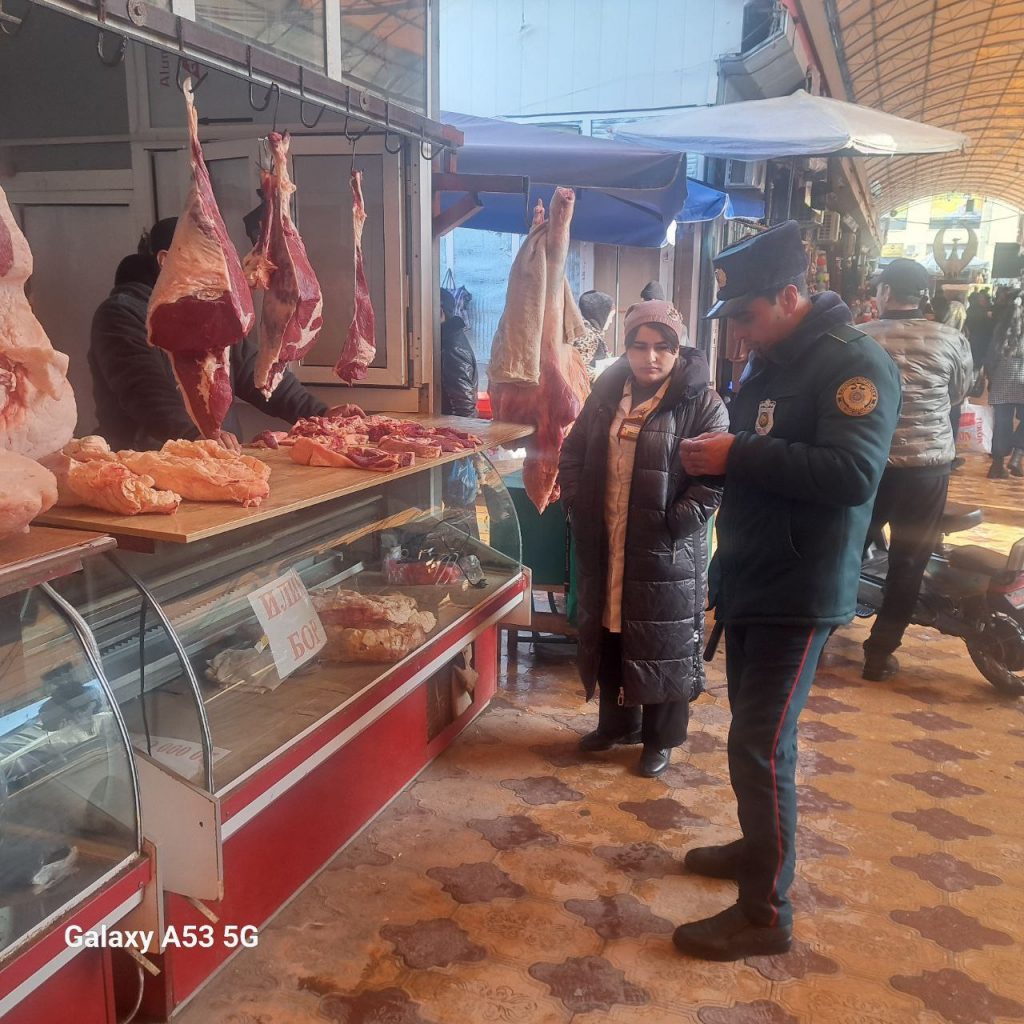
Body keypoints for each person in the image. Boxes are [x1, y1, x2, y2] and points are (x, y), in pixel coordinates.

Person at [674, 220, 900, 961]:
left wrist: (737, 452)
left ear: (791, 295)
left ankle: (765, 914)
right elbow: (760, 458)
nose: (738, 331)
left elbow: (853, 474)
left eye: (747, 315)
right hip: (755, 573)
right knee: (753, 735)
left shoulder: (852, 363)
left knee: (761, 745)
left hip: (800, 585)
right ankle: (756, 849)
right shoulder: (772, 360)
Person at [559, 300, 728, 779]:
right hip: (607, 536)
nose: (650, 357)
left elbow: (712, 481)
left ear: (677, 349)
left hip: (666, 548)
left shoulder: (703, 403)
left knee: (664, 638)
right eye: (639, 346)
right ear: (626, 347)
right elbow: (573, 452)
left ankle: (660, 738)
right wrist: (578, 503)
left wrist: (672, 523)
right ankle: (617, 724)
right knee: (612, 627)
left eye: (662, 347)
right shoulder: (606, 393)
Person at [89, 218, 355, 452]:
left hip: (214, 460)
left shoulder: (205, 311)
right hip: (145, 468)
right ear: (165, 260)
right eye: (209, 260)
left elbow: (255, 372)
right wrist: (192, 436)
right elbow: (144, 389)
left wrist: (319, 413)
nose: (221, 273)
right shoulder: (121, 314)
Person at [857, 259, 972, 680]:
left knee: (846, 548)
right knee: (908, 561)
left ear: (886, 292)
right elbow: (959, 392)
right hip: (927, 468)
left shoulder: (860, 338)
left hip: (869, 465)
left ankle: (822, 627)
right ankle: (879, 654)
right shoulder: (952, 338)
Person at [985, 292, 1024, 479]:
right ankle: (1017, 454)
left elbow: (992, 351)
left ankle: (997, 464)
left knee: (1002, 421)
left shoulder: (1003, 325)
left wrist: (990, 375)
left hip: (1003, 374)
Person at [439, 287, 479, 417]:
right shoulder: (446, 340)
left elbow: (465, 407)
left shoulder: (452, 348)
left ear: (440, 312)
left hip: (449, 426)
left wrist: (460, 430)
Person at [573, 290, 614, 379]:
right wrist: (601, 373)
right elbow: (576, 369)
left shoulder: (592, 332)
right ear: (601, 314)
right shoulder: (587, 336)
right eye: (610, 316)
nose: (611, 321)